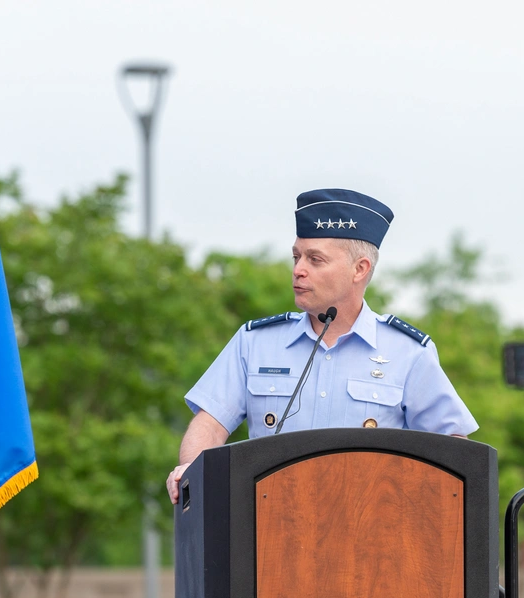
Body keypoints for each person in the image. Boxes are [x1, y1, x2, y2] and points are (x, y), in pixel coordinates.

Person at [167, 188, 478, 503]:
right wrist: (192, 469)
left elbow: (453, 454)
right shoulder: (255, 342)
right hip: (268, 532)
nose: (298, 269)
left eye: (315, 259)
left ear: (360, 269)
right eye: (296, 256)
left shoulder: (409, 353)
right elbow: (209, 424)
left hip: (374, 535)